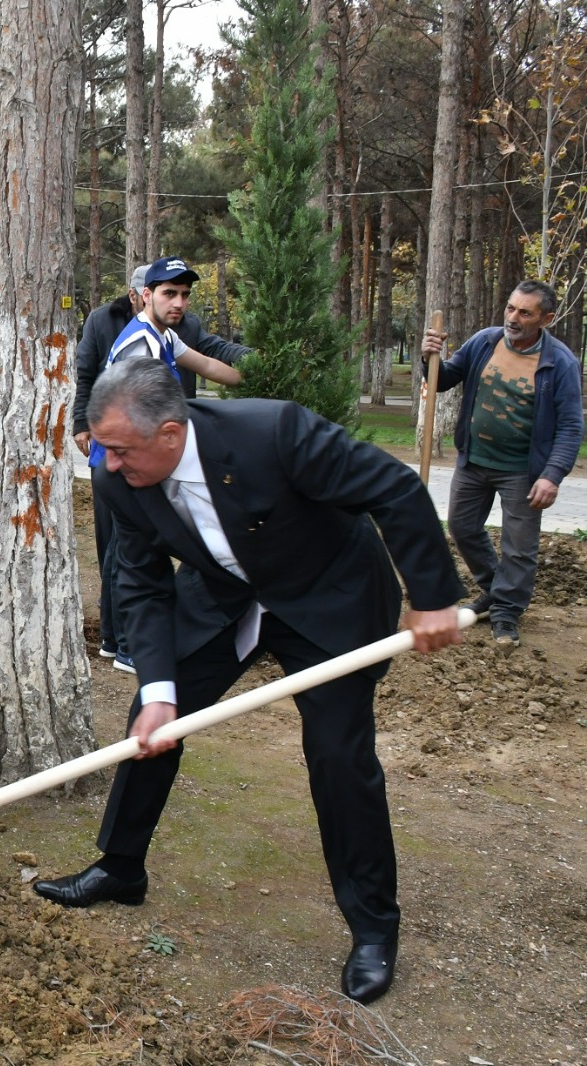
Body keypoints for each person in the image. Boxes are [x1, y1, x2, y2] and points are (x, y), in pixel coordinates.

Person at [36, 357, 464, 1005]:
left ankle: (374, 926)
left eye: (120, 450)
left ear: (171, 435)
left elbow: (394, 489)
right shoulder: (122, 477)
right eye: (103, 450)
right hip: (226, 594)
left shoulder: (274, 432)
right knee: (154, 720)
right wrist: (158, 691)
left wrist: (431, 596)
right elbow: (143, 585)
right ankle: (122, 867)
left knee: (338, 756)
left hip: (330, 595)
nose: (109, 465)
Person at [80, 258, 246, 674]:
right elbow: (139, 416)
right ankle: (126, 648)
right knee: (129, 555)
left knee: (130, 551)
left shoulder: (164, 336)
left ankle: (117, 643)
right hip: (120, 465)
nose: (179, 303)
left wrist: (256, 371)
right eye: (170, 293)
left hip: (135, 460)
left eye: (185, 295)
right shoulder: (141, 344)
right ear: (146, 295)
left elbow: (208, 365)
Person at [422, 280, 583, 649]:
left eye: (525, 312)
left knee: (519, 546)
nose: (513, 317)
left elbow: (572, 425)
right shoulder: (484, 342)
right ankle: (496, 590)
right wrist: (429, 356)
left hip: (522, 471)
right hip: (473, 460)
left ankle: (507, 611)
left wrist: (552, 475)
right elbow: (443, 379)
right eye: (511, 308)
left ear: (547, 318)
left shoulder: (559, 363)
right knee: (462, 528)